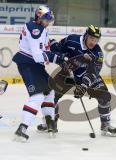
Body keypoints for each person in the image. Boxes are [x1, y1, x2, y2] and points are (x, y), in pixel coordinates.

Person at [37, 25, 116, 137]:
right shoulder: (72, 40)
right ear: (86, 36)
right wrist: (62, 57)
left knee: (104, 96)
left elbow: (93, 72)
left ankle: (105, 124)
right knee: (51, 96)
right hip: (67, 74)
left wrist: (84, 85)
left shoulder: (97, 53)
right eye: (91, 38)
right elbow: (57, 48)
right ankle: (50, 122)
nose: (93, 42)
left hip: (84, 77)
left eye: (96, 40)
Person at [12, 5, 61, 141]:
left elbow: (44, 45)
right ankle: (22, 128)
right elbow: (38, 55)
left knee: (50, 91)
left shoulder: (40, 28)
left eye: (49, 19)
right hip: (28, 64)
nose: (48, 22)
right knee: (37, 96)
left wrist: (53, 45)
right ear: (38, 17)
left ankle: (49, 121)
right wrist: (58, 58)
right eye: (46, 19)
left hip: (34, 65)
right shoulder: (35, 29)